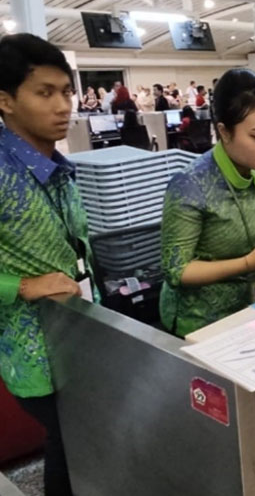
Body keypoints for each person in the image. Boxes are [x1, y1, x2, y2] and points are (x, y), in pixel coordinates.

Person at [0, 33, 97, 496]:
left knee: (78, 438)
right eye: (44, 93)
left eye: (66, 92)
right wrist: (21, 285)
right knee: (69, 440)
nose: (63, 106)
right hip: (32, 353)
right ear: (5, 101)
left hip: (78, 332)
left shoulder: (56, 164)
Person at [160, 69, 255, 337]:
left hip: (254, 307)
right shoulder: (190, 184)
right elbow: (177, 271)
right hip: (199, 323)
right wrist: (247, 263)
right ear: (224, 132)